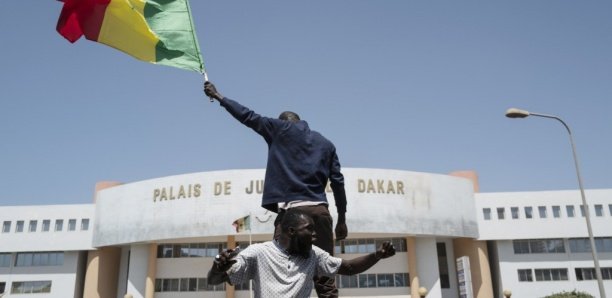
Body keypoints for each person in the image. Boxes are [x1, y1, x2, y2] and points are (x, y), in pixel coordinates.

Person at [204, 81, 348, 297]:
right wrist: (342, 219)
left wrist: (219, 96)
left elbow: (248, 116)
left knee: (281, 269)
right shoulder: (326, 143)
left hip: (292, 217)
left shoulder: (279, 129)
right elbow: (338, 182)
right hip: (321, 214)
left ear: (283, 122)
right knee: (326, 281)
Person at [207, 209, 395, 297]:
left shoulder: (314, 255)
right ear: (291, 231)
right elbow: (214, 281)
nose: (315, 235)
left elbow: (349, 268)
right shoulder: (259, 253)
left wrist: (376, 255)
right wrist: (217, 269)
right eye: (309, 229)